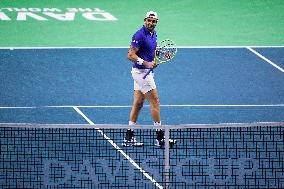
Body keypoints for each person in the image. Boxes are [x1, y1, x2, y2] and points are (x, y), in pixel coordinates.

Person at [122, 11, 176, 147]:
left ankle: (129, 137)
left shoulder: (153, 34)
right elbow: (130, 55)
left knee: (138, 103)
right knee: (155, 102)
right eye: (148, 20)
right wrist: (146, 63)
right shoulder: (139, 35)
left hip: (144, 72)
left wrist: (162, 53)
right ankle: (160, 138)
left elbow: (151, 50)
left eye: (153, 21)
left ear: (156, 22)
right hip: (141, 73)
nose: (151, 23)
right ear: (144, 20)